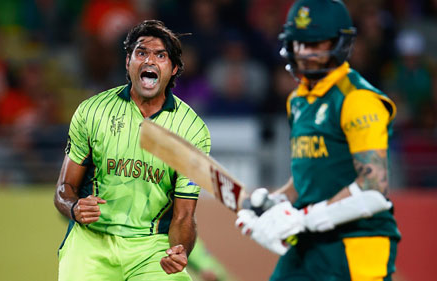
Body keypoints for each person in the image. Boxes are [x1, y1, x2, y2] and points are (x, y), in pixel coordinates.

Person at [236, 1, 401, 280]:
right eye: (299, 44)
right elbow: (307, 179)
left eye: (316, 44)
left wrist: (304, 217)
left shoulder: (358, 99)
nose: (305, 53)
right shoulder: (298, 99)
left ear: (340, 43)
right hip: (310, 242)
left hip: (358, 242)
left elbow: (373, 189)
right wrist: (272, 203)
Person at [54, 20, 211, 281]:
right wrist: (74, 208)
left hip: (151, 248)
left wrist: (179, 249)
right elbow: (64, 188)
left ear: (173, 69)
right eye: (141, 52)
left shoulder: (191, 130)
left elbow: (184, 216)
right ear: (128, 62)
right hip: (91, 241)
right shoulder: (92, 112)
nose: (149, 60)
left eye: (160, 55)